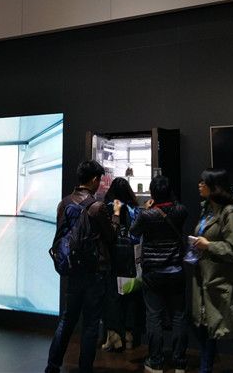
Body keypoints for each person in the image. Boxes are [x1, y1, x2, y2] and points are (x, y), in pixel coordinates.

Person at [45, 160, 121, 373]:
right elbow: (111, 236)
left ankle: (52, 366)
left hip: (72, 270)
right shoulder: (97, 207)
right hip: (95, 272)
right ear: (94, 180)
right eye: (100, 180)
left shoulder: (64, 203)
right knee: (90, 324)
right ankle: (85, 369)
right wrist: (116, 214)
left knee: (67, 320)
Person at [190, 168, 233, 373]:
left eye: (203, 182)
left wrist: (208, 245)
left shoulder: (229, 212)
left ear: (215, 187)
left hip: (224, 284)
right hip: (207, 281)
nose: (199, 185)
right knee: (209, 334)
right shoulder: (207, 209)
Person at [130, 175, 188, 373]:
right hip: (176, 270)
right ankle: (179, 361)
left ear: (152, 193)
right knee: (178, 315)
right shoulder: (180, 211)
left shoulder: (147, 215)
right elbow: (178, 207)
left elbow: (134, 232)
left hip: (153, 273)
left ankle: (155, 361)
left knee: (154, 316)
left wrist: (145, 209)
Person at [101, 177, 144, 352]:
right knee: (130, 295)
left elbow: (108, 233)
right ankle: (129, 335)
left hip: (113, 257)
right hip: (131, 257)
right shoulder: (135, 209)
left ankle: (114, 336)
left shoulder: (109, 207)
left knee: (112, 295)